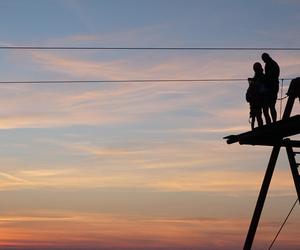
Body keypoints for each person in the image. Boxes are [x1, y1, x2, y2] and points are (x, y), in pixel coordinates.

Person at [246, 62, 268, 129]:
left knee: (262, 114)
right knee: (257, 115)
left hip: (261, 98)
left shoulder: (262, 77)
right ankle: (259, 127)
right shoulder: (257, 77)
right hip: (256, 100)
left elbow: (263, 86)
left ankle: (264, 126)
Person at [262, 53, 280, 122]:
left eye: (264, 59)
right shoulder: (270, 64)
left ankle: (274, 121)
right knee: (270, 106)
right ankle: (272, 121)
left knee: (271, 106)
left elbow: (271, 76)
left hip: (272, 87)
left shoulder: (272, 64)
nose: (263, 61)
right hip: (271, 87)